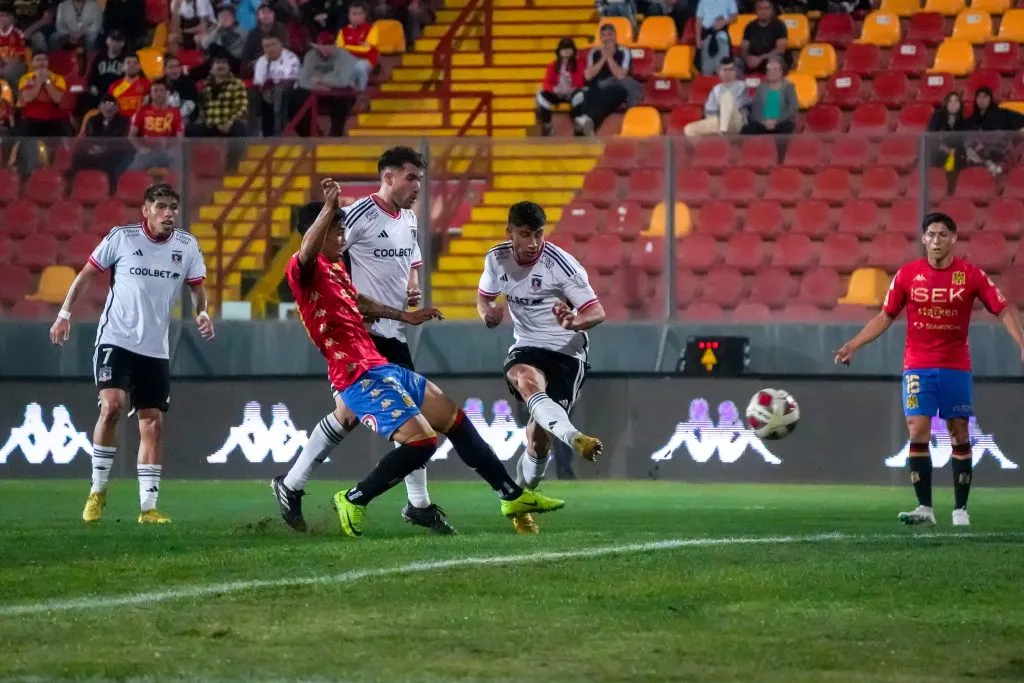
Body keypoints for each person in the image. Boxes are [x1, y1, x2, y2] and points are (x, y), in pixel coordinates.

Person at [275, 178, 566, 538]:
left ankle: (511, 494)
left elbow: (361, 304)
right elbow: (307, 250)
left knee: (454, 418)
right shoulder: (303, 269)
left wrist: (404, 316)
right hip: (354, 373)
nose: (343, 238)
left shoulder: (336, 269)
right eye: (338, 231)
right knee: (422, 441)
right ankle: (354, 498)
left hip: (380, 365)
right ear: (318, 233)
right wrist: (330, 208)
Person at [273, 146, 455, 534]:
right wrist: (329, 210)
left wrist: (408, 297)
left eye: (420, 178)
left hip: (390, 333)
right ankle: (417, 504)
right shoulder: (351, 221)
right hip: (361, 340)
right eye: (411, 177)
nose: (418, 186)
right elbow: (313, 252)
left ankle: (291, 484)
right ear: (388, 177)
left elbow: (404, 265)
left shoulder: (405, 221)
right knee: (406, 419)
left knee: (350, 415)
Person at [834, 212, 1024, 528]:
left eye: (942, 235)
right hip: (918, 365)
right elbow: (885, 316)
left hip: (955, 365)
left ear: (953, 239)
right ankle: (925, 507)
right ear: (924, 239)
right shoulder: (908, 275)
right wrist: (853, 344)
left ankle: (960, 509)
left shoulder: (971, 275)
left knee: (959, 432)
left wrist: (1021, 341)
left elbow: (1002, 308)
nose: (936, 240)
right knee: (917, 429)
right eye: (931, 235)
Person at [48, 184, 216, 525]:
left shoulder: (186, 246)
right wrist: (64, 314)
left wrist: (202, 312)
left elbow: (197, 289)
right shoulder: (121, 238)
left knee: (152, 422)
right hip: (116, 338)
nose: (168, 213)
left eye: (173, 207)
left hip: (155, 348)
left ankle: (148, 508)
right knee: (111, 405)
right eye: (161, 207)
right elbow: (87, 275)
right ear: (146, 210)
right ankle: (97, 491)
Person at [476, 201, 605, 534]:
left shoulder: (561, 265)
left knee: (537, 440)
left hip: (567, 352)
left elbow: (597, 312)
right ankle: (576, 438)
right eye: (524, 234)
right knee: (525, 378)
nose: (533, 242)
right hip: (527, 346)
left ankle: (522, 503)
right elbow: (484, 297)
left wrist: (577, 321)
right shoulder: (496, 258)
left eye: (538, 234)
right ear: (510, 233)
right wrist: (486, 312)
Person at [535, 36, 585, 137]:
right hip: (557, 94)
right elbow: (546, 84)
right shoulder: (553, 66)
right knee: (541, 95)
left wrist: (571, 89)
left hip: (572, 92)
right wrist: (555, 89)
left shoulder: (579, 63)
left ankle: (578, 126)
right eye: (564, 49)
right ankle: (547, 125)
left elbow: (581, 81)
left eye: (569, 49)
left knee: (580, 95)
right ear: (559, 51)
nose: (566, 51)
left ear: (573, 50)